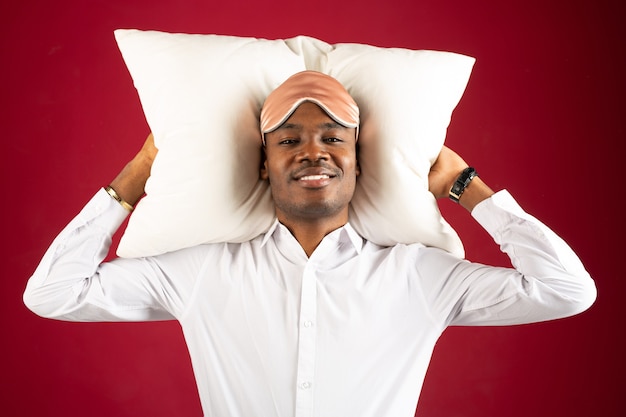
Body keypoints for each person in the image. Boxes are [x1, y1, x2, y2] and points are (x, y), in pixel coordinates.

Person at [23, 71, 597, 417]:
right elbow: (53, 293)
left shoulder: (418, 275)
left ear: (356, 160)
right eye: (289, 139)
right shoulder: (203, 268)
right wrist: (137, 173)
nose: (313, 152)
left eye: (332, 137)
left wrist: (469, 189)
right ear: (264, 165)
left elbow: (566, 290)